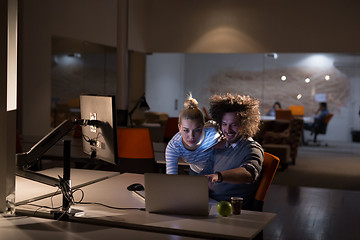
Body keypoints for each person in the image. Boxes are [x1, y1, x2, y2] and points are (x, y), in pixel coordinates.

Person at [200, 93, 264, 210]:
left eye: (234, 125)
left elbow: (249, 173)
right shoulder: (219, 147)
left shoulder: (252, 148)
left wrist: (218, 176)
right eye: (224, 124)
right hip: (209, 203)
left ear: (245, 125)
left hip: (232, 210)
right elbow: (203, 176)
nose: (227, 130)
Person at [165, 94, 221, 175]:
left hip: (220, 171)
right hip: (197, 171)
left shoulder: (213, 132)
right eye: (186, 130)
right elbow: (171, 175)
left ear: (203, 126)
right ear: (179, 128)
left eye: (197, 130)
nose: (191, 136)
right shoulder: (174, 146)